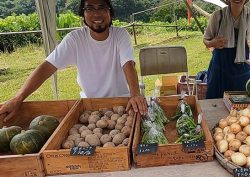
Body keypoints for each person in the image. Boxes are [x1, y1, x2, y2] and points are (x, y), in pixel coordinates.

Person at [0, 0, 147, 122]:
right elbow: (46, 67)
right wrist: (18, 98)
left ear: (110, 13)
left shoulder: (120, 35)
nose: (96, 13)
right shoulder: (75, 39)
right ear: (83, 14)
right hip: (89, 108)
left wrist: (135, 94)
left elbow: (128, 64)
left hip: (121, 104)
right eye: (89, 8)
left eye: (102, 7)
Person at [203, 0, 250, 99]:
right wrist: (213, 43)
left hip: (242, 68)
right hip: (220, 68)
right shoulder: (217, 16)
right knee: (215, 103)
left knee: (240, 104)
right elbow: (205, 40)